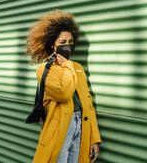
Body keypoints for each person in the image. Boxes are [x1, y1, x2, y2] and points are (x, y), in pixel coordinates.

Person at [26, 9, 102, 163]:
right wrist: (67, 66)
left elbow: (88, 104)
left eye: (70, 42)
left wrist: (94, 138)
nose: (67, 46)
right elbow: (63, 94)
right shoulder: (44, 70)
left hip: (80, 124)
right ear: (52, 43)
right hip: (60, 128)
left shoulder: (78, 67)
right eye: (62, 42)